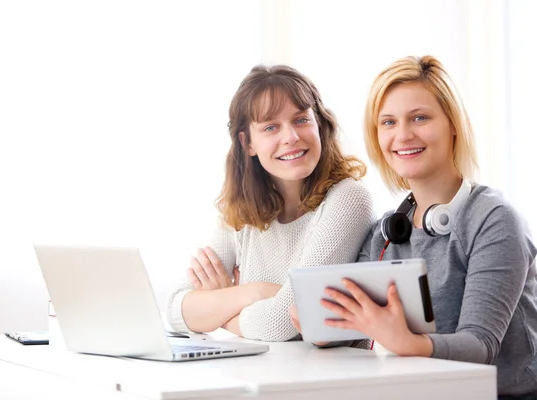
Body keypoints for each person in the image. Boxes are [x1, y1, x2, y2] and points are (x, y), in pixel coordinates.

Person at [293, 55, 537, 398]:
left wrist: (406, 342)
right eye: (388, 122)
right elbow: (359, 325)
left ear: (453, 124)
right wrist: (326, 327)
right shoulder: (388, 230)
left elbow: (480, 345)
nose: (403, 135)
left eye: (419, 118)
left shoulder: (494, 219)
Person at [165, 64, 374, 342]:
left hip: (327, 381)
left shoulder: (349, 199)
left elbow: (279, 323)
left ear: (319, 124)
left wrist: (220, 307)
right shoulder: (242, 213)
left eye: (301, 120)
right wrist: (254, 292)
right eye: (271, 127)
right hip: (260, 377)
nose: (290, 137)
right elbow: (176, 310)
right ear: (247, 143)